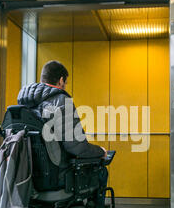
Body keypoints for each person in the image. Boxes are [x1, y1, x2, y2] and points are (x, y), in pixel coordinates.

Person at [17, 60, 108, 188]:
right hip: (57, 176)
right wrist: (100, 151)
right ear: (60, 80)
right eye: (65, 82)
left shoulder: (23, 103)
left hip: (25, 175)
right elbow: (77, 147)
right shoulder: (61, 101)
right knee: (101, 171)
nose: (65, 85)